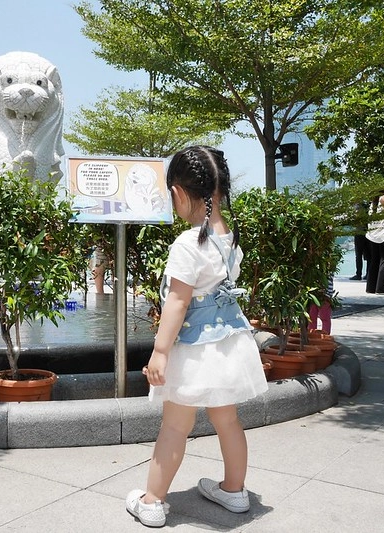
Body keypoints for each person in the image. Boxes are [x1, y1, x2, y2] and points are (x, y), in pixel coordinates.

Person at [126, 146, 268, 528]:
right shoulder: (230, 238)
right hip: (229, 344)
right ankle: (235, 492)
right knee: (229, 421)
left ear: (178, 192)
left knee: (175, 426)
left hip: (194, 347)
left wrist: (159, 351)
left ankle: (153, 501)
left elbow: (177, 303)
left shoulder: (188, 243)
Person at [364, 195, 384, 294]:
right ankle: (381, 288)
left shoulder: (373, 204)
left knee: (374, 260)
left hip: (372, 235)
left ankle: (371, 287)